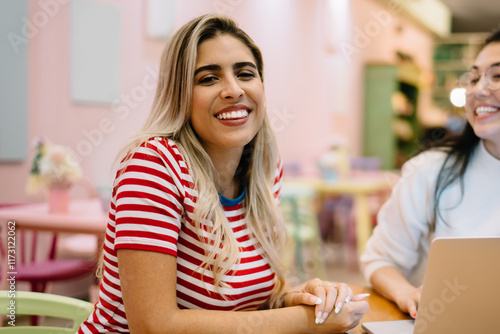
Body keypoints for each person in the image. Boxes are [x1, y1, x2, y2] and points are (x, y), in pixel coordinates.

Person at [78, 14, 368, 333]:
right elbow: (153, 326)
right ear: (180, 96)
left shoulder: (264, 169)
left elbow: (252, 305)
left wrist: (303, 300)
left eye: (245, 74)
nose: (233, 90)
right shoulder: (153, 165)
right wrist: (305, 321)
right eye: (208, 79)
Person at [360, 28, 500, 318]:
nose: (476, 90)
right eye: (473, 78)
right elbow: (380, 260)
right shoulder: (430, 171)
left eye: (497, 76)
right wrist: (407, 294)